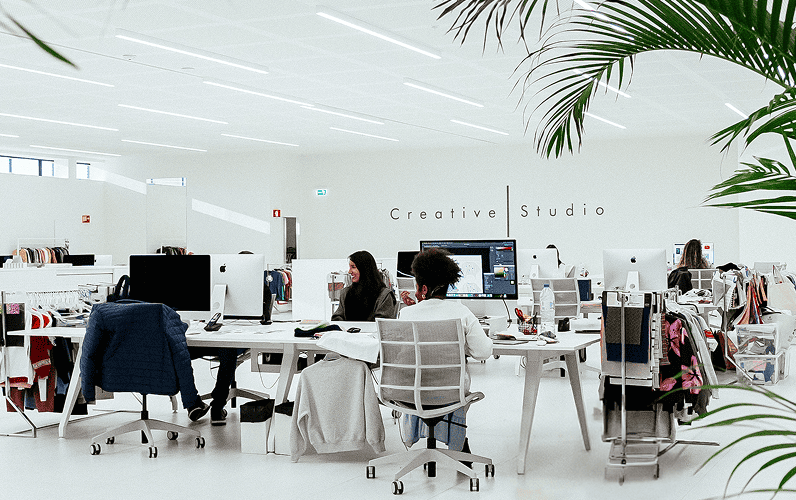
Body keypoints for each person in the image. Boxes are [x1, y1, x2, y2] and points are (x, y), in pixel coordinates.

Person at [397, 247, 493, 456]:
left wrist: (417, 307)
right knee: (447, 387)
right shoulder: (462, 313)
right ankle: (458, 444)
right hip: (450, 394)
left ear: (423, 288)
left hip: (410, 393)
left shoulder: (405, 314)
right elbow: (484, 352)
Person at [332, 250, 397, 321]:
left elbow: (383, 323)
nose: (349, 272)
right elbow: (338, 316)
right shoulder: (345, 293)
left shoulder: (384, 295)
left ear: (364, 269)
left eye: (353, 267)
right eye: (350, 267)